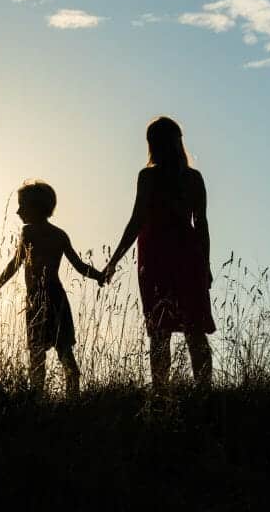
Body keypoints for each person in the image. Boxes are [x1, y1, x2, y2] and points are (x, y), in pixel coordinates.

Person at [103, 116, 215, 393]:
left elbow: (137, 219)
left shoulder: (148, 176)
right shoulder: (193, 177)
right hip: (188, 254)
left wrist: (114, 260)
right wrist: (206, 263)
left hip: (156, 254)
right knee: (194, 329)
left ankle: (161, 393)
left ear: (151, 144)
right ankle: (204, 392)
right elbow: (201, 223)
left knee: (159, 329)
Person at [0, 182, 103, 397]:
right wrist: (99, 275)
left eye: (22, 205)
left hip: (37, 299)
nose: (18, 211)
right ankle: (73, 399)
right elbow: (80, 266)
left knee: (37, 354)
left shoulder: (28, 232)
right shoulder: (60, 234)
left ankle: (36, 399)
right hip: (58, 297)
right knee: (64, 350)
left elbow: (15, 263)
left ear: (35, 207)